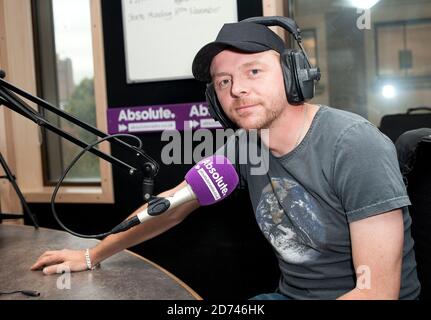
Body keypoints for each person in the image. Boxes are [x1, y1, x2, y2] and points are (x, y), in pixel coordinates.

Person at [31, 19, 421, 300]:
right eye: (223, 82)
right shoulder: (246, 145)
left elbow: (378, 291)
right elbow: (171, 207)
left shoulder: (353, 145)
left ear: (292, 75)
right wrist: (92, 254)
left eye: (254, 71)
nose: (237, 90)